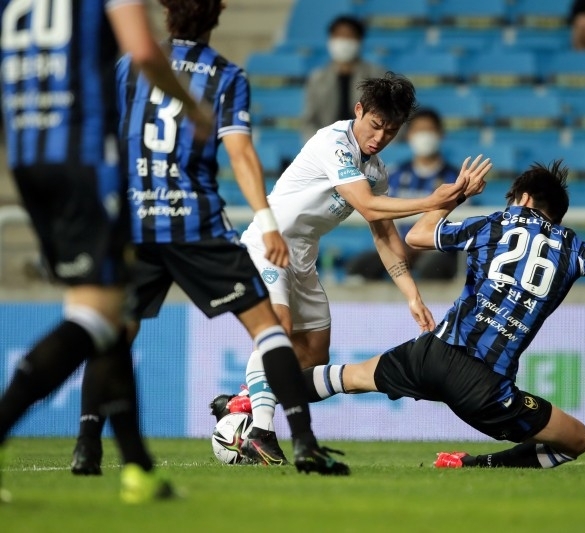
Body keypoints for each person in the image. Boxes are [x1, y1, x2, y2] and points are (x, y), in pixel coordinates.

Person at [295, 160, 585, 469]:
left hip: (430, 353)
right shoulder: (576, 249)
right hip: (483, 385)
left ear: (522, 199)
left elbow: (418, 234)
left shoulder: (494, 223)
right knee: (576, 439)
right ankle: (477, 465)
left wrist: (456, 195)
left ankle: (248, 404)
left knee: (344, 377)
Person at [70, 0, 348, 475]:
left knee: (114, 334)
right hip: (195, 224)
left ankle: (87, 447)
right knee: (266, 328)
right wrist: (265, 218)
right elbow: (240, 155)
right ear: (215, 19)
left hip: (136, 222)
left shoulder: (128, 67)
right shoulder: (225, 75)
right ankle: (303, 443)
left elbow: (98, 139)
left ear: (165, 14)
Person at [0, 0, 213, 503]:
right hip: (84, 159)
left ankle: (138, 469)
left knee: (112, 320)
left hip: (29, 157)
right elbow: (143, 50)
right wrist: (194, 109)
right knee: (94, 320)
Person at [237, 73, 484, 441]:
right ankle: (260, 432)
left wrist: (411, 294)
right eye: (375, 125)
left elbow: (385, 235)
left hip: (302, 257)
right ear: (359, 110)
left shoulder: (375, 170)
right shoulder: (333, 142)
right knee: (280, 331)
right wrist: (434, 201)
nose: (380, 138)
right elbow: (368, 207)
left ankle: (241, 402)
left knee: (313, 356)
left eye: (391, 131)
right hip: (267, 242)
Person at [346, 108, 461, 281]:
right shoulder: (394, 174)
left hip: (437, 249)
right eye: (419, 130)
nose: (424, 136)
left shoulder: (455, 178)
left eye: (429, 130)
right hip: (398, 245)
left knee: (431, 268)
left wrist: (421, 246)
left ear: (440, 134)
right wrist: (401, 246)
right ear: (409, 135)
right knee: (360, 266)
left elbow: (459, 220)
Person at [300, 15, 385, 141]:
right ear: (330, 40)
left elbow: (390, 116)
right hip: (328, 145)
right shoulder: (317, 78)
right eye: (339, 36)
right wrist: (321, 143)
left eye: (349, 36)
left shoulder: (377, 75)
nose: (343, 42)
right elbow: (308, 121)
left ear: (360, 41)